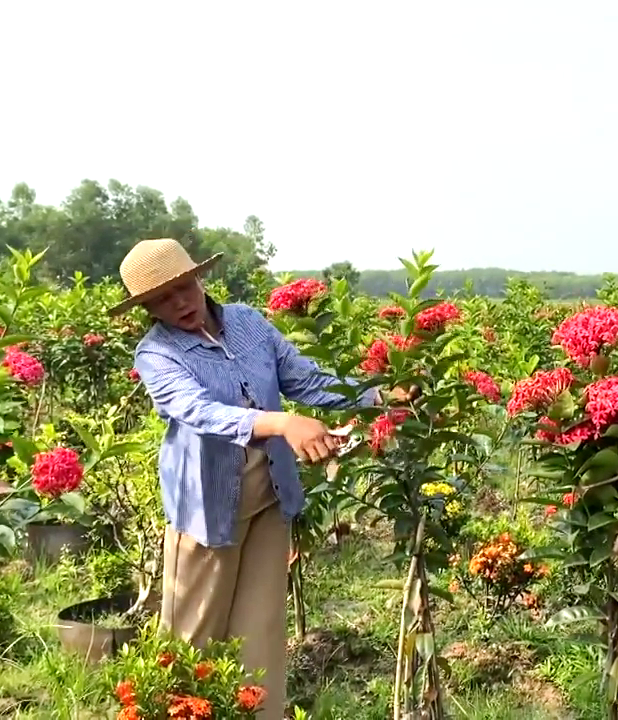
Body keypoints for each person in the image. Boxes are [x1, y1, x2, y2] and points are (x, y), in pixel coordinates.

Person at [109, 238, 411, 719]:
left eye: (184, 287)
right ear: (146, 308)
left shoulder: (248, 323)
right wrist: (284, 423)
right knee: (193, 637)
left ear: (199, 278)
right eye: (162, 299)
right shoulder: (158, 354)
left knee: (260, 635)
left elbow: (307, 379)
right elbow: (199, 412)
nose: (180, 303)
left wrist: (378, 396)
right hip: (207, 509)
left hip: (269, 497)